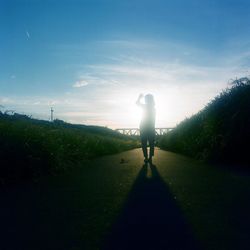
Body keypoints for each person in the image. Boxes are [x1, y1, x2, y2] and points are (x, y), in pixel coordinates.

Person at [136, 93, 156, 164]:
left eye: (146, 99)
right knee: (151, 143)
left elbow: (137, 103)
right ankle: (150, 157)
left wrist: (139, 97)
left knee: (144, 143)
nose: (145, 100)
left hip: (144, 127)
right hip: (150, 127)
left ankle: (146, 157)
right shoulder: (153, 108)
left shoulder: (145, 106)